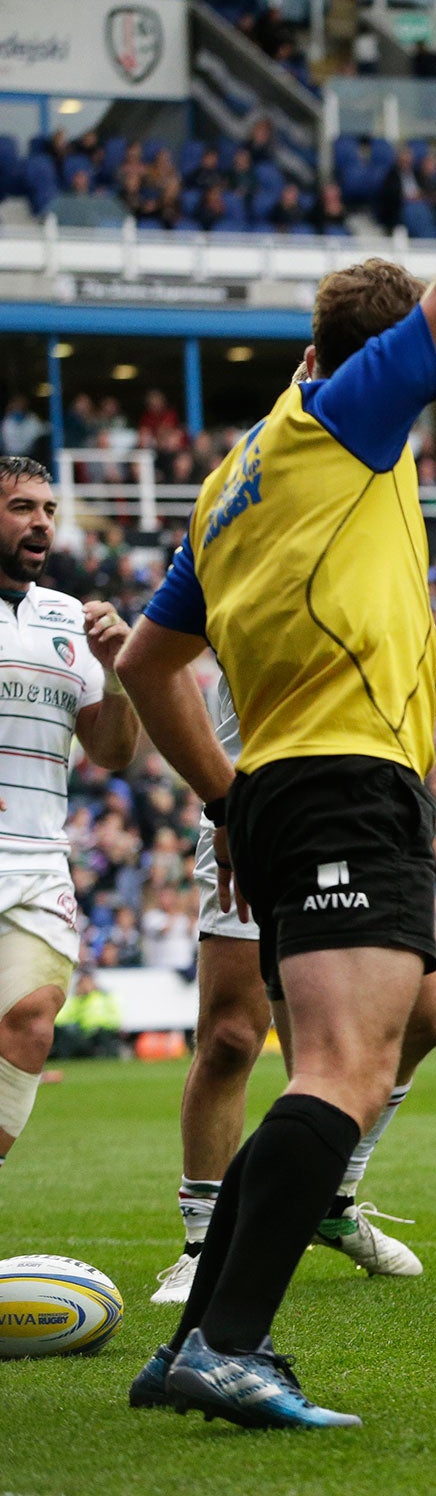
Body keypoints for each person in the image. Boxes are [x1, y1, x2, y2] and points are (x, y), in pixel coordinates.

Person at [113, 0, 436, 1428]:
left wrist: (233, 791)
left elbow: (150, 667)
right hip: (331, 790)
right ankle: (225, 1343)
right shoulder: (348, 415)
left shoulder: (236, 475)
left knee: (350, 1057)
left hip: (303, 783)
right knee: (351, 1064)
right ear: (373, 363)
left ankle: (200, 1337)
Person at [148, 674, 435, 1309]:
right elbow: (153, 665)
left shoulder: (377, 582)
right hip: (252, 806)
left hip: (361, 806)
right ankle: (203, 1246)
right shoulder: (233, 575)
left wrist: (426, 672)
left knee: (424, 1020)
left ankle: (332, 1199)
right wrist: (224, 803)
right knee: (230, 1036)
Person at [0, 458, 139, 1183]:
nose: (42, 522)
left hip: (38, 860)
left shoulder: (69, 617)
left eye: (49, 509)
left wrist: (116, 671)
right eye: (23, 506)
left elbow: (112, 753)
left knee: (32, 1019)